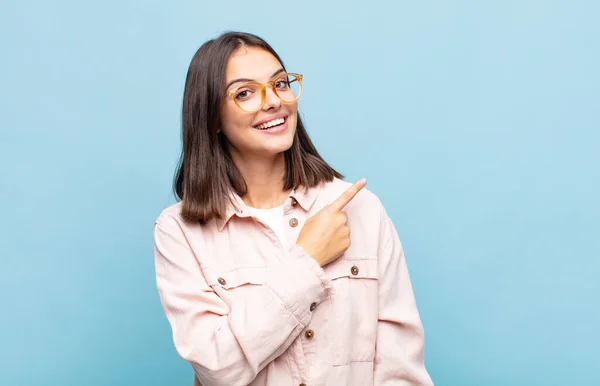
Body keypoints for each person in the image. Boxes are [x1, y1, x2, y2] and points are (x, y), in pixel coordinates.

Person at [153, 31, 433, 386]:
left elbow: (401, 370)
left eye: (280, 83)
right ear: (211, 118)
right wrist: (307, 260)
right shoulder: (179, 232)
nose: (273, 101)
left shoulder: (360, 209)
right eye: (244, 92)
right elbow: (217, 369)